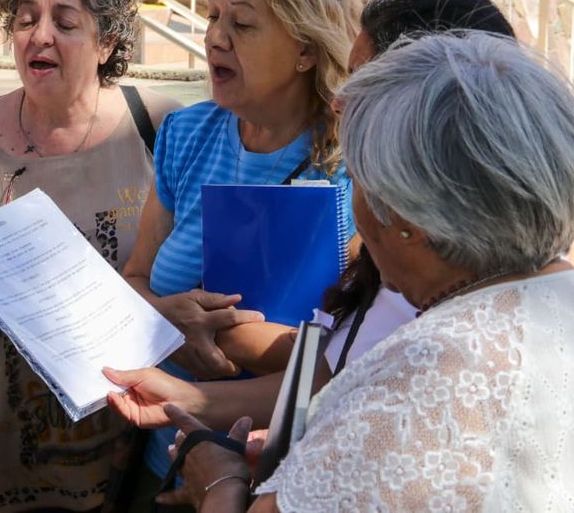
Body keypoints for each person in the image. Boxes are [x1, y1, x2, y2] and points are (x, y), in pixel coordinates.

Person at [160, 32, 574, 511]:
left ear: (406, 219)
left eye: (356, 178)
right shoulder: (550, 299)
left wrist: (218, 482)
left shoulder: (415, 376)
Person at [106, 0, 518, 443]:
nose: (341, 101)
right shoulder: (186, 133)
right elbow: (337, 366)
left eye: (363, 80)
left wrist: (187, 334)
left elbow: (356, 376)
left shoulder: (466, 287)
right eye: (212, 15)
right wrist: (188, 398)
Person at [119, 0, 361, 502]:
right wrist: (164, 317)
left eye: (243, 23)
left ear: (306, 48)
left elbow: (353, 353)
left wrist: (215, 336)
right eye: (212, 15)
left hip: (288, 478)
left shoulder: (354, 163)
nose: (214, 38)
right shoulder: (185, 134)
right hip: (167, 456)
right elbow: (135, 278)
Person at [0, 0, 181, 512]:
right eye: (25, 19)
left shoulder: (160, 128)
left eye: (65, 21)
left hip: (130, 447)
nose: (40, 35)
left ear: (107, 42)